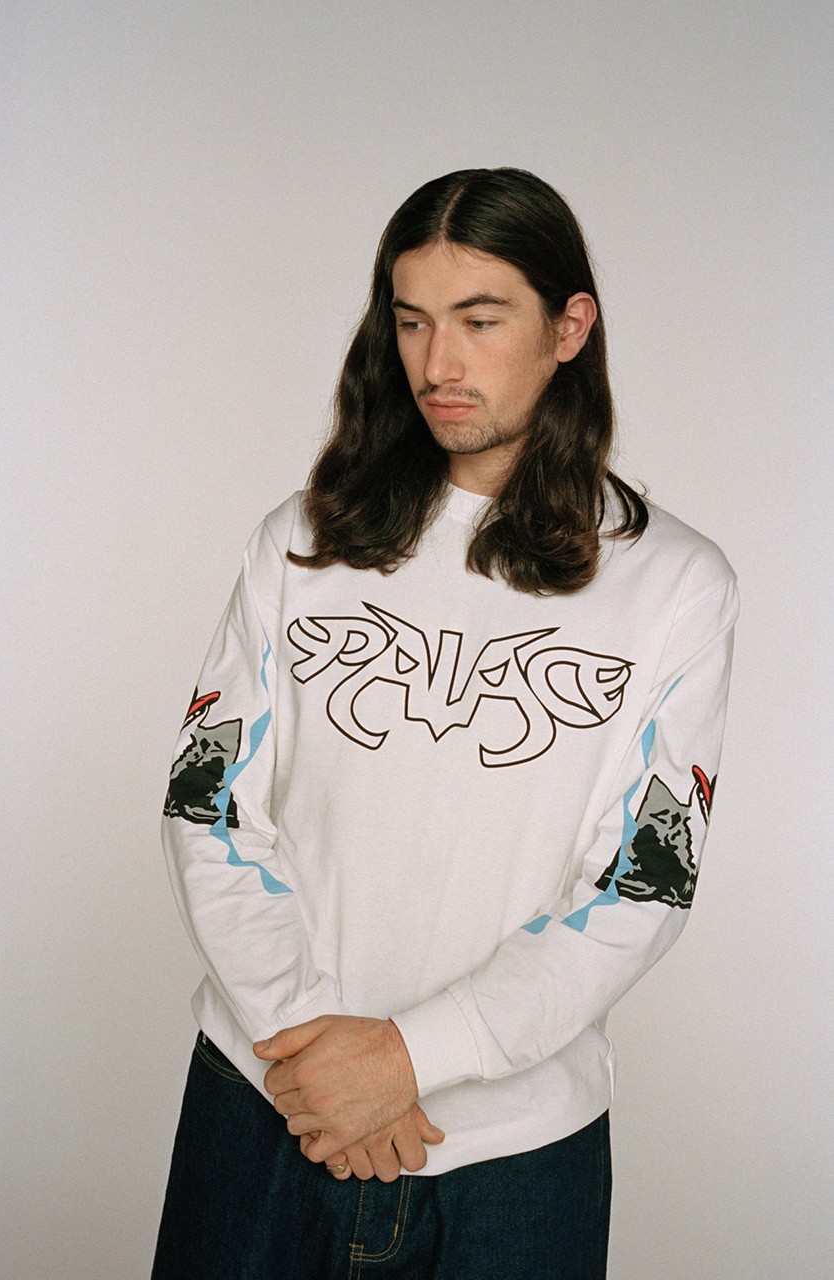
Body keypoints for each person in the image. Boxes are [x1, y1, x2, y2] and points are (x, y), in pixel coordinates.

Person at [152, 168, 738, 1279]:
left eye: (480, 319)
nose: (437, 364)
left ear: (569, 328)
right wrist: (321, 1060)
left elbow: (641, 883)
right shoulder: (301, 541)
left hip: (513, 1155)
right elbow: (205, 806)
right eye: (412, 320)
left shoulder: (674, 585)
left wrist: (410, 1059)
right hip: (266, 1098)